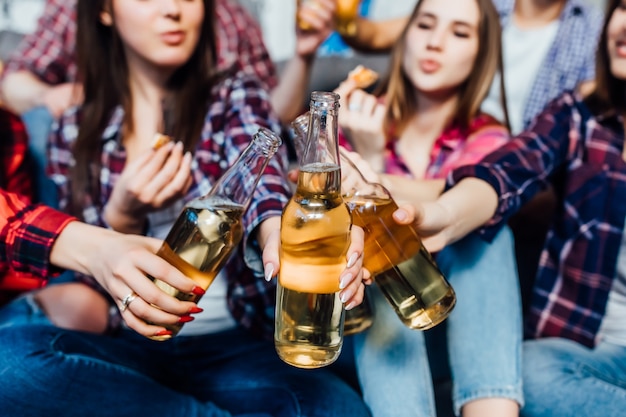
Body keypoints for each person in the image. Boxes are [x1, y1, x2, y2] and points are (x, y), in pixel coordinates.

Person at [0, 1, 371, 416]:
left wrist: (274, 235)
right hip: (130, 344)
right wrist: (122, 212)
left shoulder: (235, 94)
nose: (172, 9)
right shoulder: (75, 122)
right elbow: (88, 276)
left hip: (234, 348)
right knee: (10, 366)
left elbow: (264, 183)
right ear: (105, 11)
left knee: (337, 409)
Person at [407, 0, 626, 415]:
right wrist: (443, 216)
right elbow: (505, 173)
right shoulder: (581, 116)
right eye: (622, 7)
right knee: (530, 372)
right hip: (587, 354)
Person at [336, 0, 523, 416]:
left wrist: (377, 180)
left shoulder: (489, 139)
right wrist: (364, 152)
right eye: (425, 25)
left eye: (459, 33)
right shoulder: (355, 116)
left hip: (462, 335)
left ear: (481, 53)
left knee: (487, 231)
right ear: (406, 37)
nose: (435, 43)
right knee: (378, 238)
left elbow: (478, 196)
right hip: (370, 334)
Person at [0, 0, 335, 206]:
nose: (173, 9)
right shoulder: (70, 13)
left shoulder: (230, 28)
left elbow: (262, 125)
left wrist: (303, 56)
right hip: (87, 145)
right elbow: (14, 81)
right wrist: (54, 97)